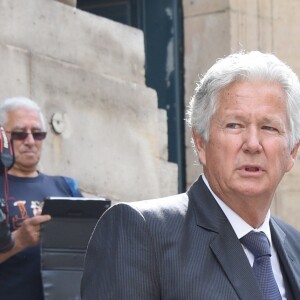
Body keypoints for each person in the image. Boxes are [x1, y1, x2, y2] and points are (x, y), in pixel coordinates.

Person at [81, 51, 300, 300]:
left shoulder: (295, 245)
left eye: (268, 127)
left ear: (292, 152)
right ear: (201, 143)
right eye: (234, 125)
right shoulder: (142, 232)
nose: (252, 143)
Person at [0, 97, 82, 300]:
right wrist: (18, 242)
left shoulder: (66, 187)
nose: (30, 141)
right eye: (19, 134)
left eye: (37, 134)